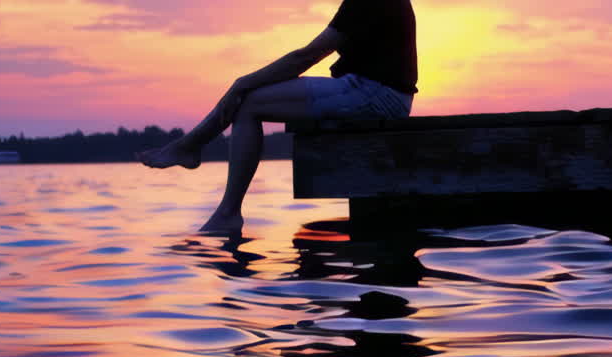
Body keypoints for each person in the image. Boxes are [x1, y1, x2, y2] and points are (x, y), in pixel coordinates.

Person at [138, 0, 418, 235]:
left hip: (375, 94)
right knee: (249, 100)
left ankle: (224, 205)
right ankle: (194, 152)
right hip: (373, 91)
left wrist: (242, 82)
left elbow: (305, 57)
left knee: (248, 102)